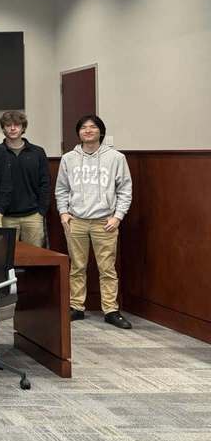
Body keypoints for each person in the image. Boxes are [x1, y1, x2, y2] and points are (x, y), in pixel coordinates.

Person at [55, 114, 133, 329]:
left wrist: (118, 217)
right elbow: (61, 189)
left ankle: (111, 310)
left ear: (100, 131)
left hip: (104, 222)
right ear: (78, 133)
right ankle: (76, 307)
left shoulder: (116, 158)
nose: (88, 130)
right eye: (84, 128)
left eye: (93, 127)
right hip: (76, 221)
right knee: (77, 267)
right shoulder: (68, 158)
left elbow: (125, 190)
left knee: (107, 268)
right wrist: (63, 213)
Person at [0, 110, 50, 247]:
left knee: (35, 258)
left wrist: (41, 211)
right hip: (5, 217)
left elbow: (45, 183)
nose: (12, 128)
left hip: (33, 216)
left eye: (17, 125)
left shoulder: (37, 152)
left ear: (23, 128)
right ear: (3, 128)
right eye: (8, 125)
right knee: (6, 259)